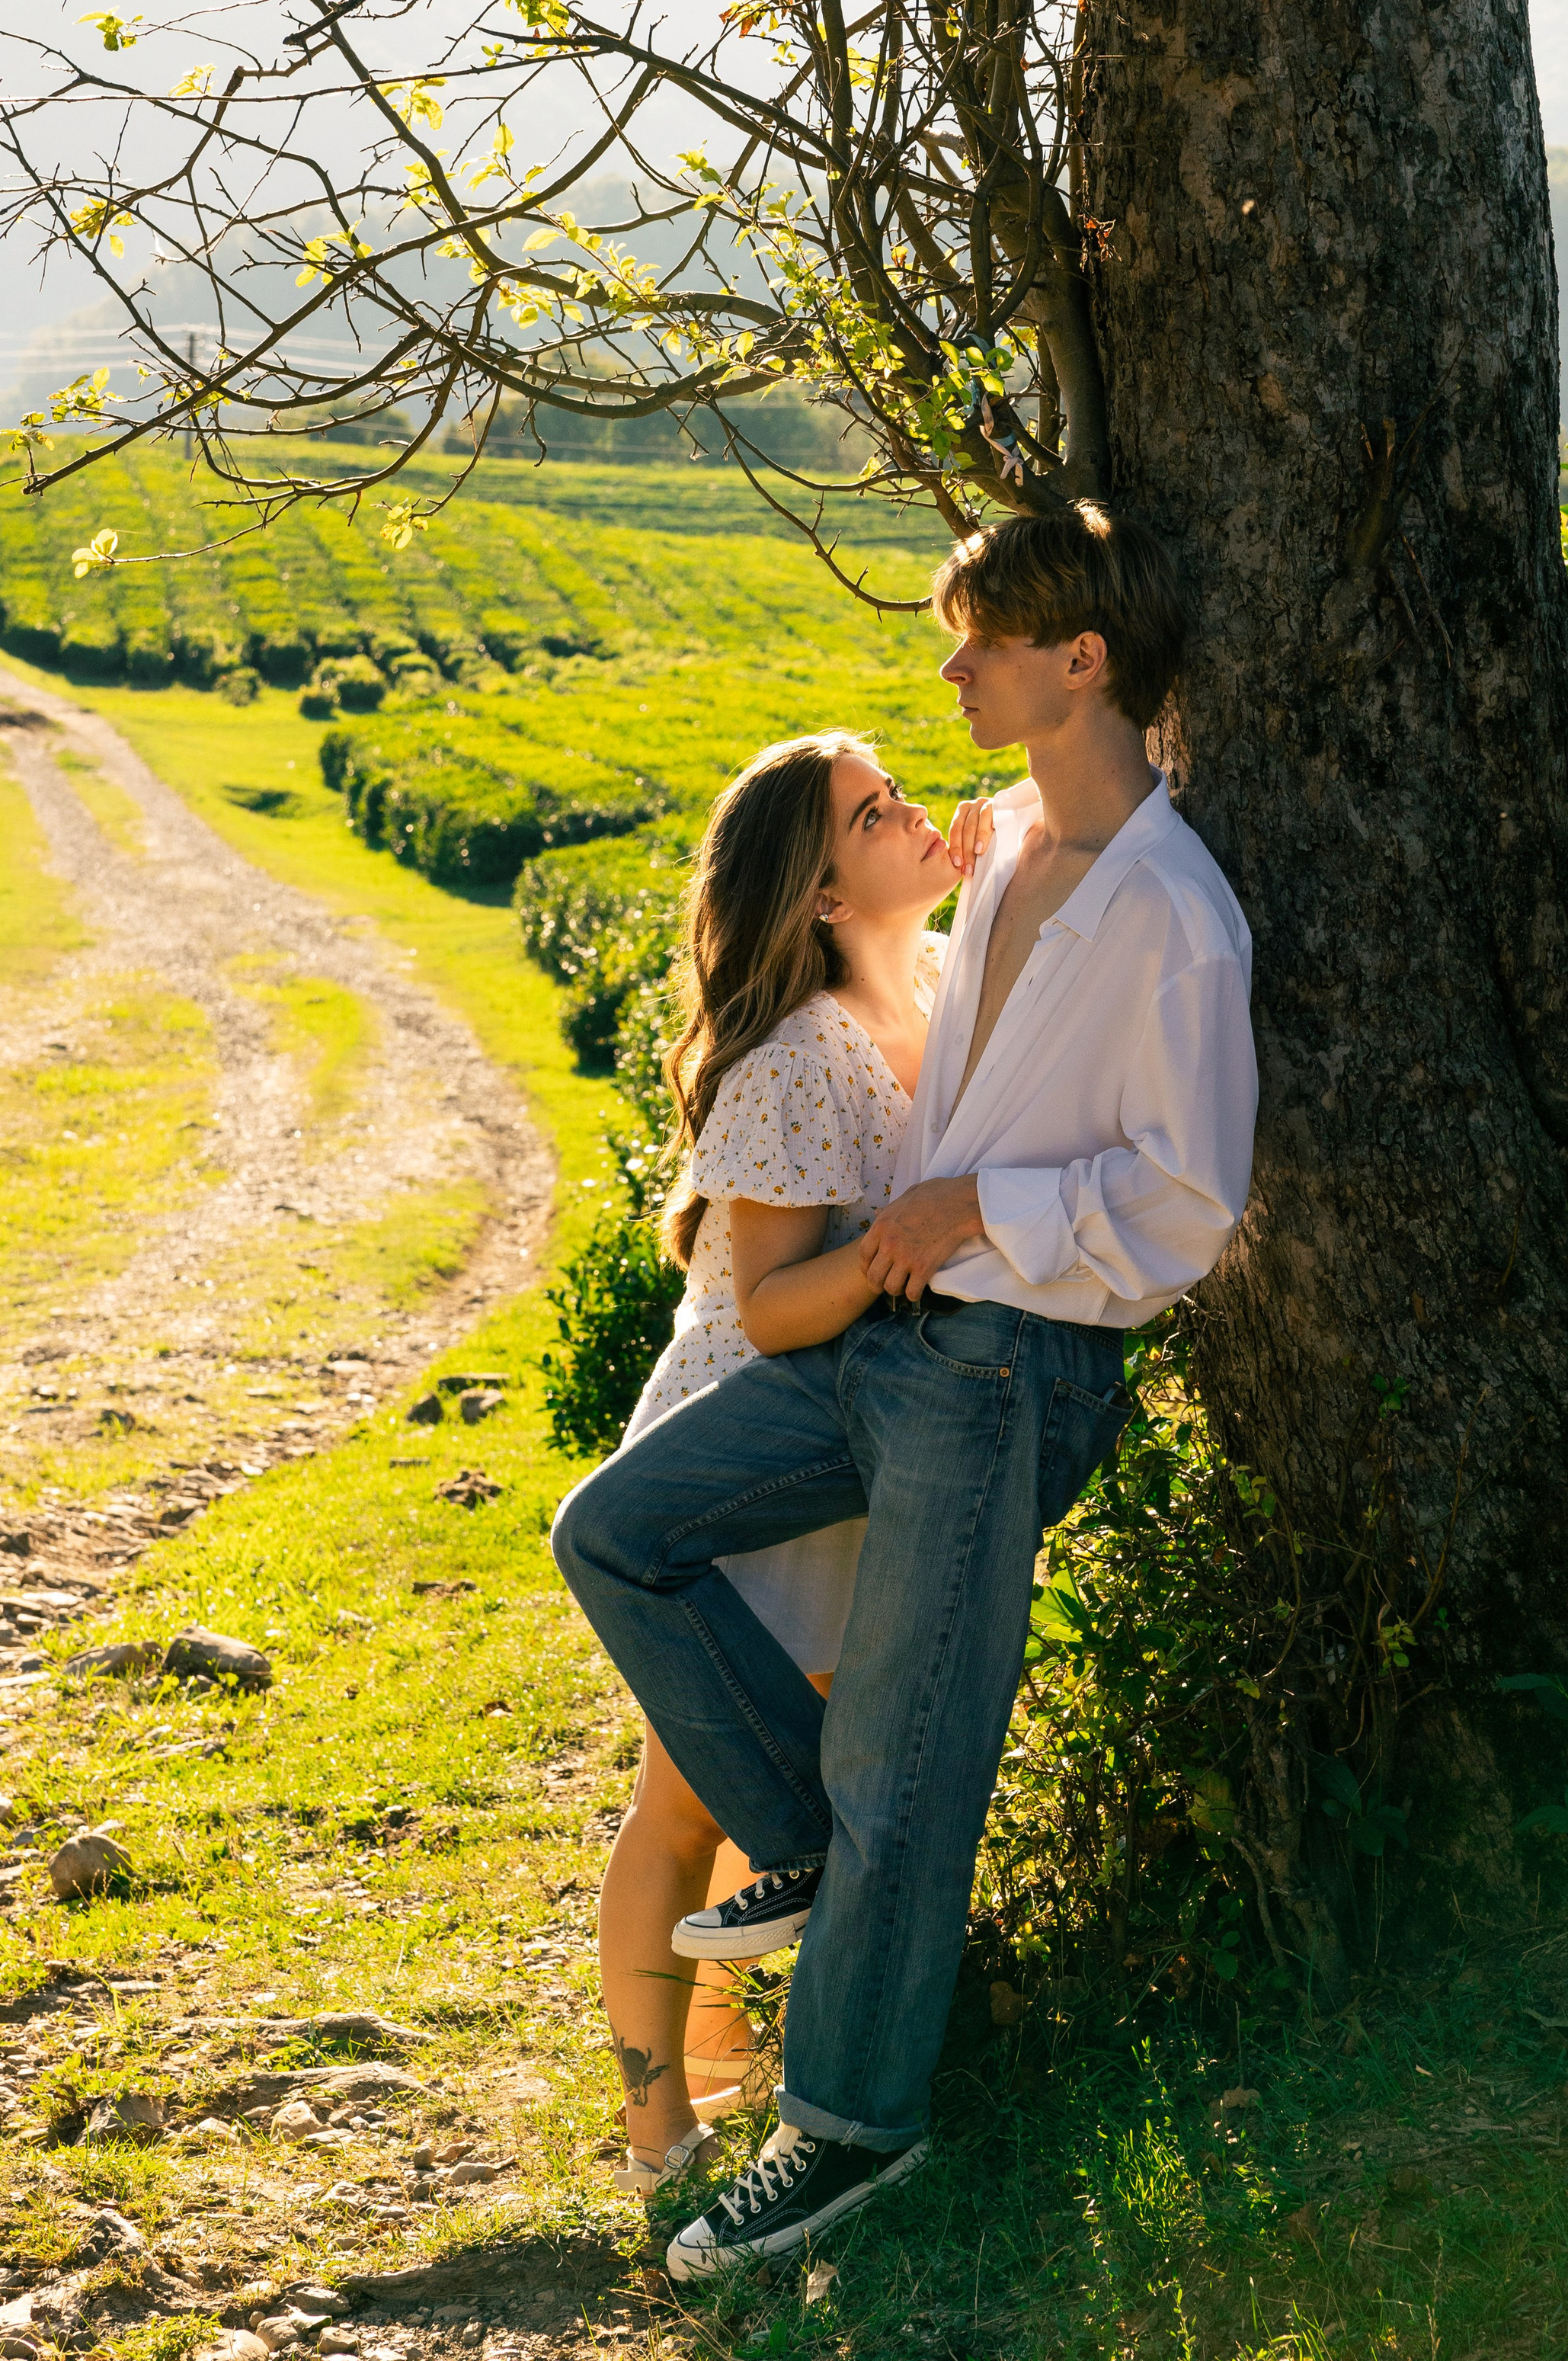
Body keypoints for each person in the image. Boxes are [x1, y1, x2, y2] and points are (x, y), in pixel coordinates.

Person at [553, 501, 1258, 2279]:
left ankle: (848, 2127)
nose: (951, 666)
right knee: (617, 1526)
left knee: (906, 1758)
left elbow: (1185, 1206)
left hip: (1008, 1360)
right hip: (886, 1341)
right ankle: (803, 1846)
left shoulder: (1174, 914)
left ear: (1076, 659)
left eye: (980, 639)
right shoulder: (1008, 843)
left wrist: (978, 1210)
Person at [590, 729, 961, 2197]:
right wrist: (907, 1246)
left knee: (779, 1785)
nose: (917, 812)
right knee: (688, 1798)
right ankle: (656, 2130)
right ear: (819, 889)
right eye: (880, 811)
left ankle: (735, 2074)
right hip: (740, 1451)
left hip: (850, 1440)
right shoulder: (799, 1055)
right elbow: (771, 1305)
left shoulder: (935, 987)